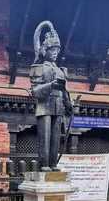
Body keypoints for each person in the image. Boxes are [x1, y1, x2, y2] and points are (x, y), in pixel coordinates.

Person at [30, 21, 75, 171]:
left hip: (58, 107)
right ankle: (44, 164)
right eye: (52, 49)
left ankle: (53, 163)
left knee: (56, 137)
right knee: (45, 137)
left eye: (57, 50)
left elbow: (65, 92)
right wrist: (51, 86)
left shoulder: (61, 71)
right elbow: (35, 91)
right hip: (44, 106)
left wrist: (70, 104)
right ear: (45, 51)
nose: (55, 52)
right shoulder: (39, 68)